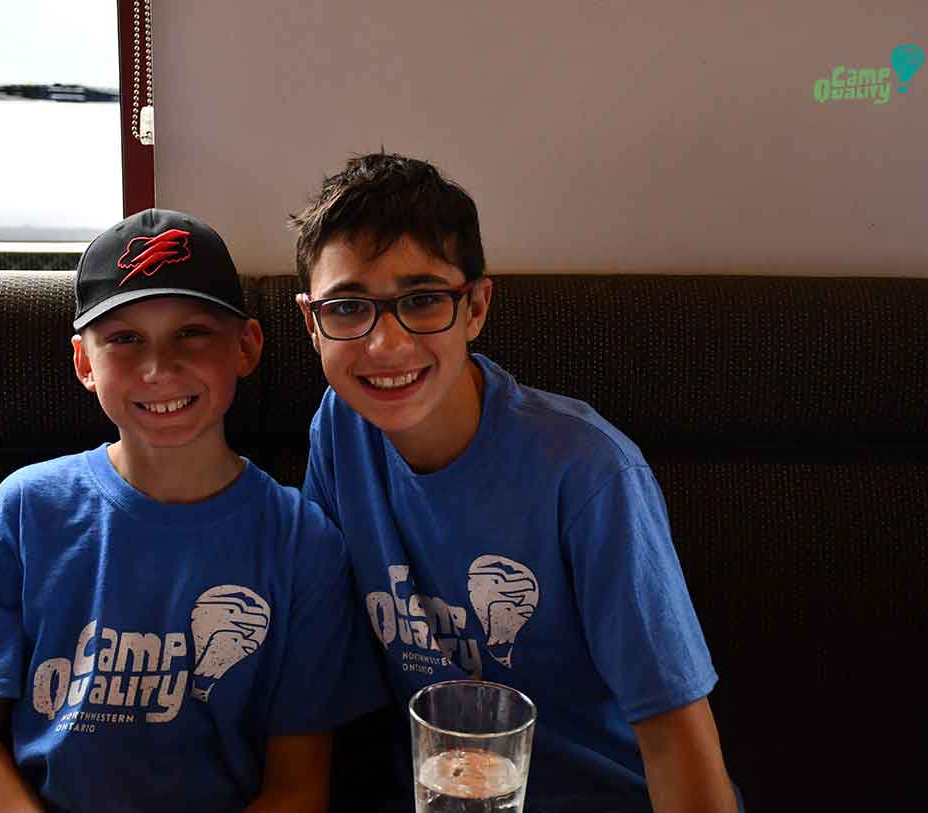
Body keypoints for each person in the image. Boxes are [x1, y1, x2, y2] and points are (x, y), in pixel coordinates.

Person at [290, 153, 741, 812]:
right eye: (349, 307)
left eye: (421, 300)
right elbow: (322, 660)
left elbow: (679, 743)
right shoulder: (340, 429)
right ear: (311, 322)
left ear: (475, 307)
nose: (384, 343)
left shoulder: (588, 470)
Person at [0, 208, 385, 813]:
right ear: (85, 363)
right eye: (125, 339)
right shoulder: (26, 509)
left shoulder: (302, 541)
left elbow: (298, 785)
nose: (159, 368)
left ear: (246, 347)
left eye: (192, 333)